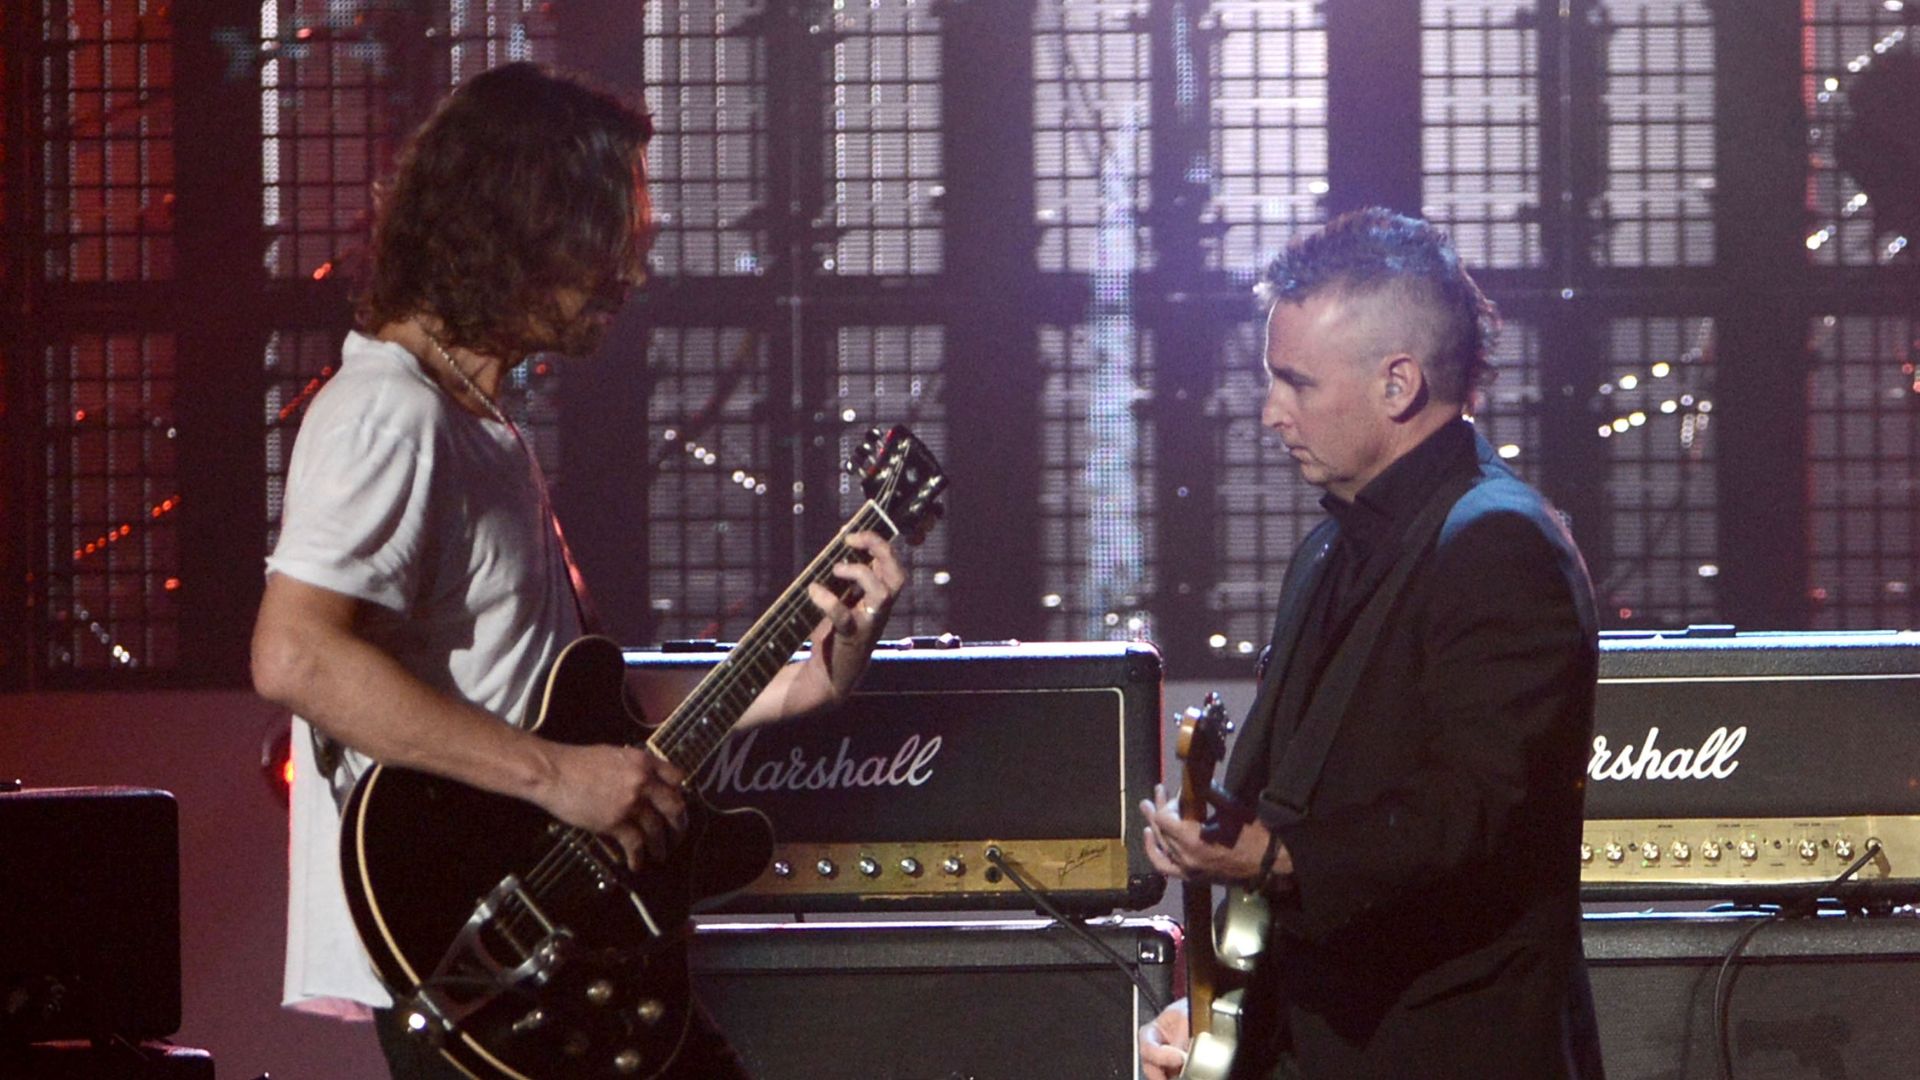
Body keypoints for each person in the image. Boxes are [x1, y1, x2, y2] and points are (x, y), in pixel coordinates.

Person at [249, 63, 905, 1079]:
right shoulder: (388, 414)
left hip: (559, 941)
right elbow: (295, 656)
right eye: (613, 241)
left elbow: (575, 709)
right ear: (521, 228)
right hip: (487, 952)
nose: (632, 273)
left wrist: (810, 677)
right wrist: (558, 779)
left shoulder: (477, 422)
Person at [1138, 208, 1604, 1079]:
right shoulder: (1327, 551)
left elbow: (1474, 811)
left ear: (1398, 385)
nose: (1270, 414)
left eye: (1296, 384)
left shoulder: (1500, 544)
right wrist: (1215, 1014)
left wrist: (1272, 856)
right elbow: (1286, 809)